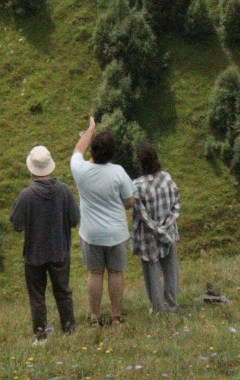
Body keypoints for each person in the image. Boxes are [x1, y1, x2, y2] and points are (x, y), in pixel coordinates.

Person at [69, 115, 134, 328]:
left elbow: (77, 151)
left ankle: (95, 317)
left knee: (94, 274)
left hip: (91, 233)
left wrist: (90, 129)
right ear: (111, 153)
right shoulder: (118, 172)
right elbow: (129, 202)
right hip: (116, 233)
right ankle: (116, 317)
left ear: (93, 150)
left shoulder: (80, 170)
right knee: (116, 273)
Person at [10, 144, 80, 340]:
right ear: (50, 166)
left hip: (34, 254)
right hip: (60, 250)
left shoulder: (26, 195)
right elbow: (74, 220)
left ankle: (40, 336)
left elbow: (17, 225)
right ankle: (69, 330)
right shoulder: (65, 191)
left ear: (31, 168)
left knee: (37, 296)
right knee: (63, 292)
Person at [131, 141, 181, 314]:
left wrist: (156, 230)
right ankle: (172, 305)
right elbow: (176, 204)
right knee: (171, 270)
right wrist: (166, 228)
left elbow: (142, 215)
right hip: (168, 233)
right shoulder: (167, 178)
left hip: (149, 237)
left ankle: (158, 308)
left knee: (152, 273)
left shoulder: (137, 186)